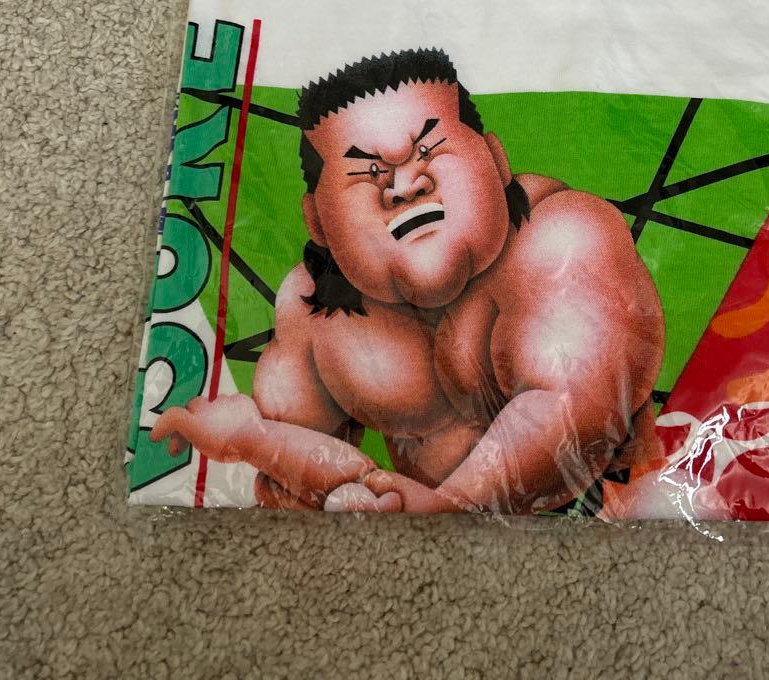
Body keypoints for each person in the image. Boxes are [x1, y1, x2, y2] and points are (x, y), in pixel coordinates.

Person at [152, 48, 665, 514]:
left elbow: (576, 410)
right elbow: (321, 488)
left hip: (615, 515)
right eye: (367, 172)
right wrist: (256, 439)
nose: (403, 186)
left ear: (496, 160)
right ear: (318, 222)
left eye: (428, 151)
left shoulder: (563, 237)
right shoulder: (316, 315)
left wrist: (443, 506)